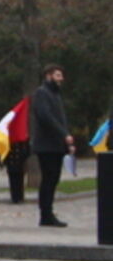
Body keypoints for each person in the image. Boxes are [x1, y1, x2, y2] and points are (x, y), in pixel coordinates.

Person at [30, 64, 74, 228]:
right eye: (58, 75)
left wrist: (66, 139)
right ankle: (45, 214)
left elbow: (60, 119)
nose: (61, 79)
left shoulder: (55, 95)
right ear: (48, 76)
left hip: (56, 145)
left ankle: (48, 212)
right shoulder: (42, 93)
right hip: (46, 146)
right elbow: (46, 117)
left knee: (53, 179)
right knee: (49, 179)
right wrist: (64, 134)